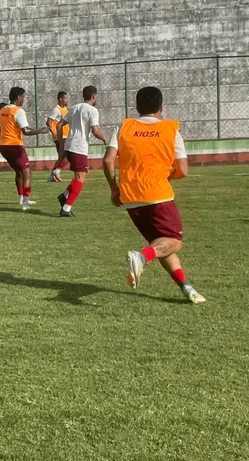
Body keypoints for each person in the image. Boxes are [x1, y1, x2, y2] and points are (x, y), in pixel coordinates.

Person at [102, 86, 205, 304]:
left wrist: (114, 188)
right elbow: (183, 170)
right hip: (158, 195)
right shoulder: (170, 129)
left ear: (137, 107)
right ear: (161, 107)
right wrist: (165, 176)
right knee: (174, 242)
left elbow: (108, 160)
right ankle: (142, 257)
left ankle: (187, 288)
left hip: (130, 198)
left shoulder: (123, 126)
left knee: (159, 244)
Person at [54, 85, 108, 217]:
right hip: (79, 147)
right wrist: (106, 139)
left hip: (69, 146)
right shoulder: (92, 110)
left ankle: (65, 195)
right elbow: (95, 130)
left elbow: (60, 124)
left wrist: (61, 143)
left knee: (84, 173)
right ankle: (66, 208)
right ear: (94, 96)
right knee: (80, 178)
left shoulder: (73, 108)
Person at [0, 87, 50, 210]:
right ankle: (26, 202)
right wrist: (41, 131)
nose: (24, 100)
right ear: (18, 97)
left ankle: (21, 198)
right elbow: (25, 131)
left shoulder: (2, 110)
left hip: (3, 146)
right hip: (15, 146)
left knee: (19, 171)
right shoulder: (18, 111)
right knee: (27, 172)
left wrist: (2, 140)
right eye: (23, 97)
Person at [46, 91, 70, 182]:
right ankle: (56, 171)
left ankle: (53, 175)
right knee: (68, 155)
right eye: (65, 98)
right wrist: (54, 133)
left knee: (61, 156)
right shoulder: (56, 109)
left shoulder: (66, 109)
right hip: (60, 136)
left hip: (65, 135)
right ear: (60, 99)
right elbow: (48, 122)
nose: (67, 100)